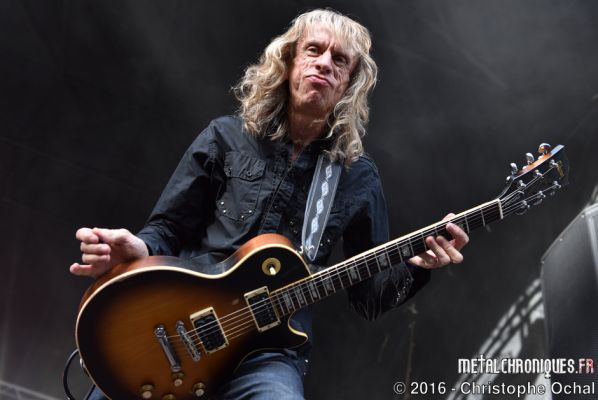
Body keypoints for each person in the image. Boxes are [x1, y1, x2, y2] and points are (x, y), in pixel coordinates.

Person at [70, 9, 469, 399]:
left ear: (350, 84)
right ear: (290, 60)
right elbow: (169, 228)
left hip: (268, 356)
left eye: (340, 60)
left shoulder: (357, 177)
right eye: (314, 50)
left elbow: (369, 299)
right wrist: (140, 248)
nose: (325, 63)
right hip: (181, 322)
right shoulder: (225, 137)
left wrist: (417, 266)